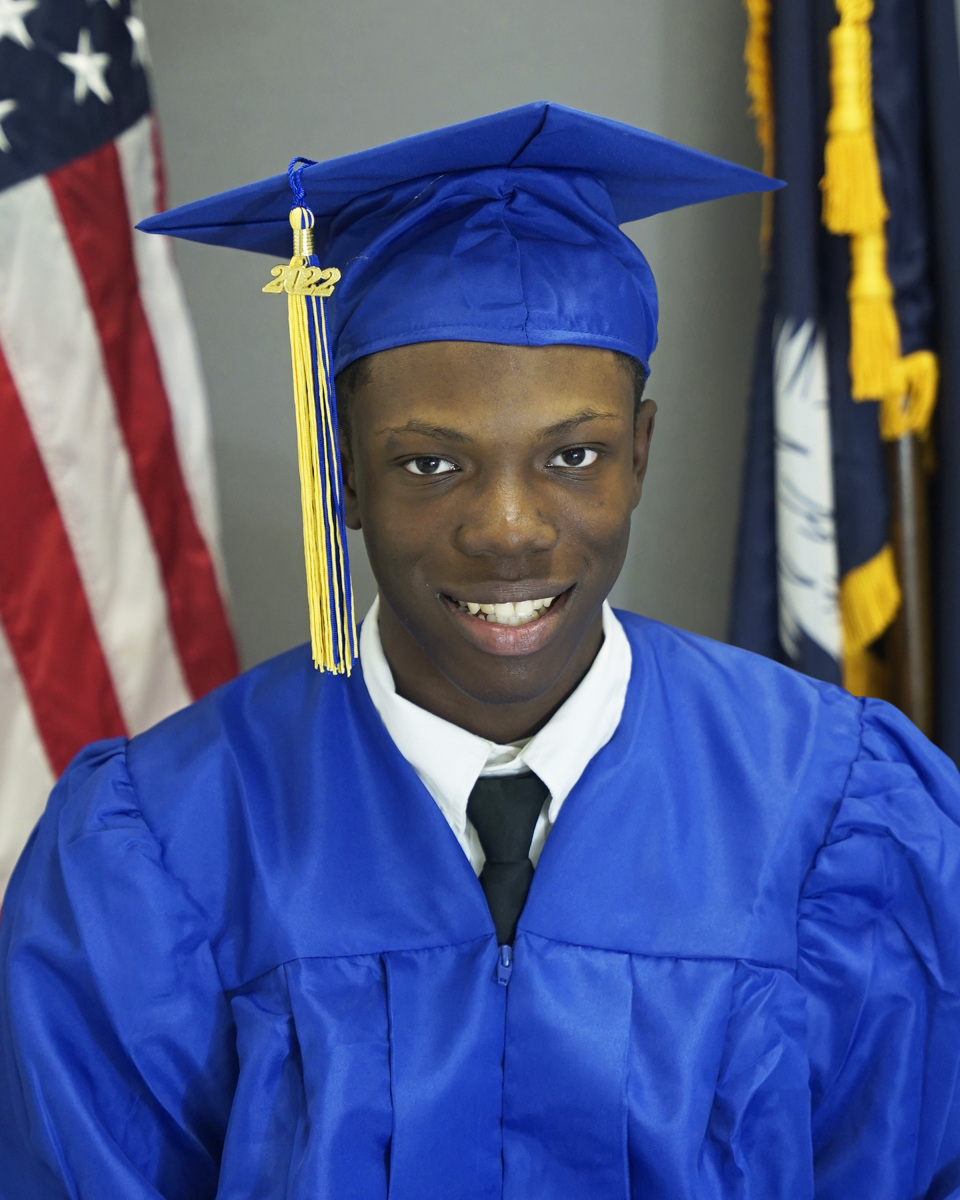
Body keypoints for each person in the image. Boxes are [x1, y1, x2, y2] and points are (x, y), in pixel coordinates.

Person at [1, 102, 959, 1200]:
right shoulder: (163, 847)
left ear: (640, 454)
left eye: (575, 455)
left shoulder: (836, 812)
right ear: (345, 472)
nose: (509, 529)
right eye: (430, 464)